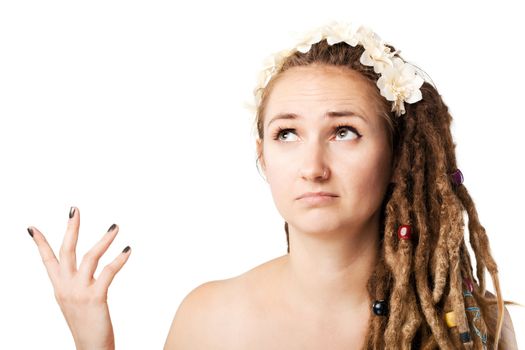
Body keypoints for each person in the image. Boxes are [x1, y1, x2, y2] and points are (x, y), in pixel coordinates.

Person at [27, 21, 518, 349]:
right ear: (262, 153)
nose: (312, 166)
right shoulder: (209, 320)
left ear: (398, 157)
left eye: (344, 132)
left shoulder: (471, 324)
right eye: (287, 133)